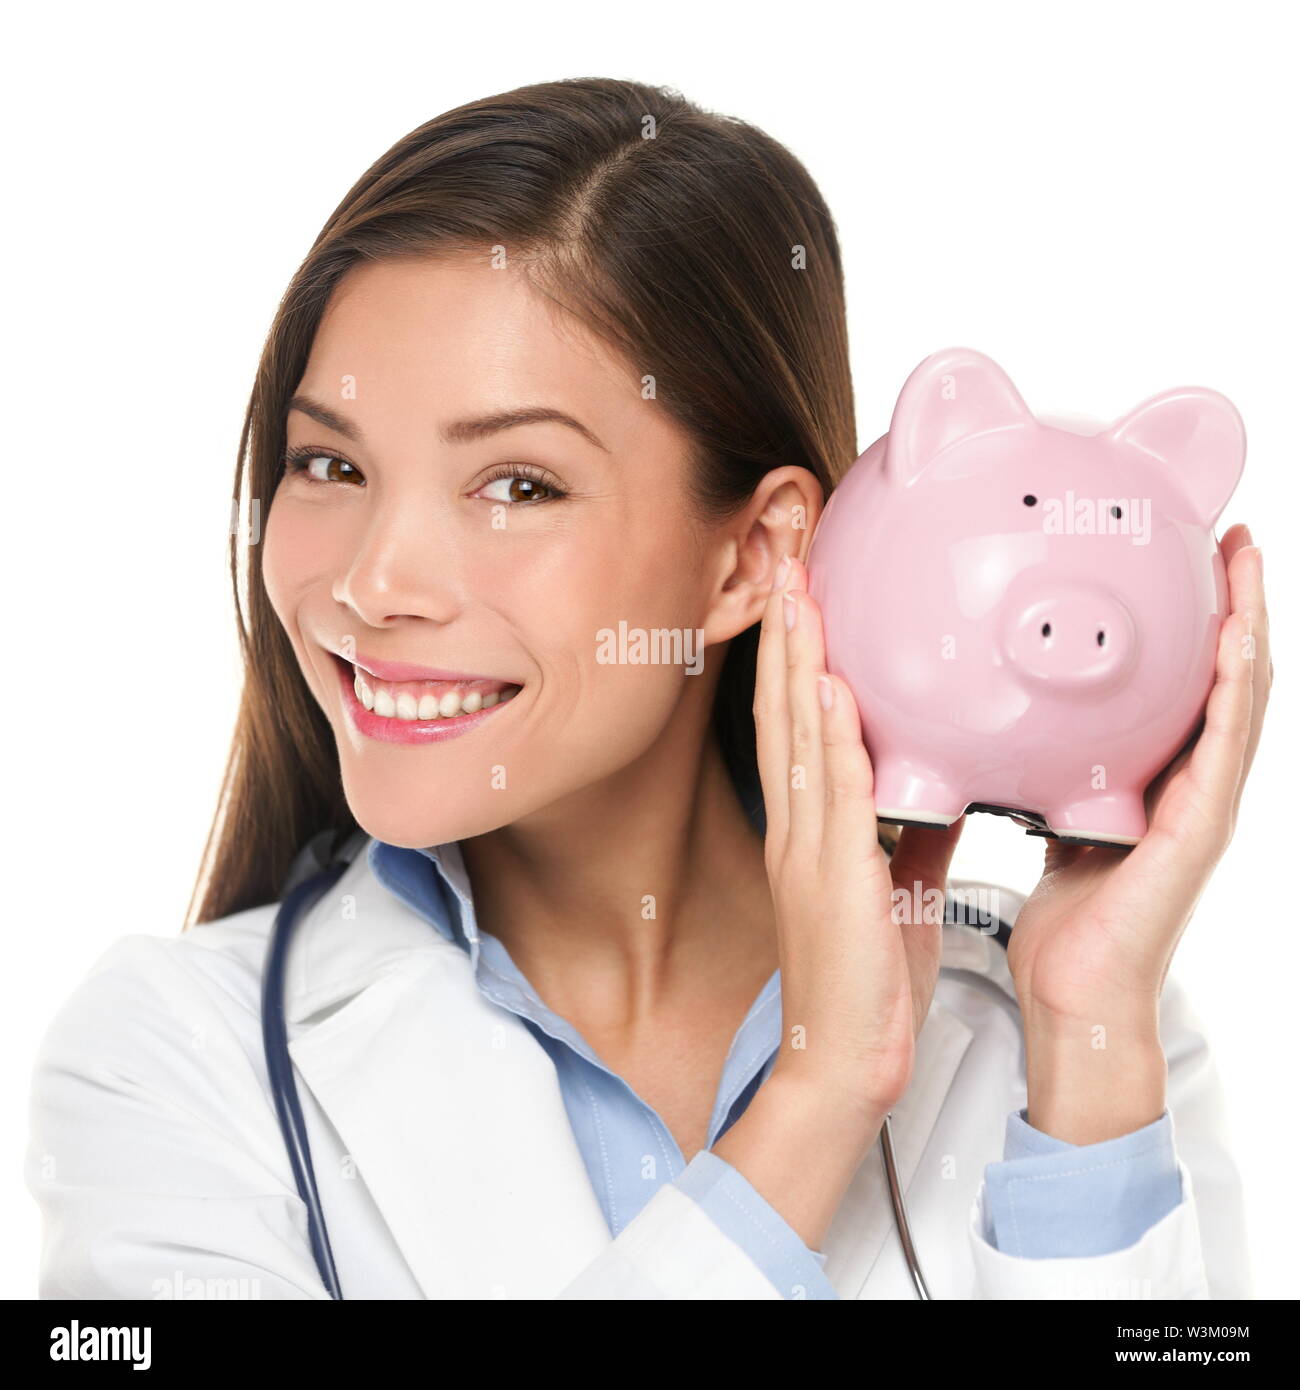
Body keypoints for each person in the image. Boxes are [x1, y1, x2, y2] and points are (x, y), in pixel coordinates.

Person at [25, 77, 1269, 1300]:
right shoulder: (167, 1056)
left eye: (516, 484)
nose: (372, 581)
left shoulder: (1068, 1018)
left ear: (752, 557)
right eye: (328, 462)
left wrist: (1082, 1031)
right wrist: (819, 1091)